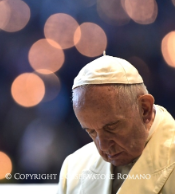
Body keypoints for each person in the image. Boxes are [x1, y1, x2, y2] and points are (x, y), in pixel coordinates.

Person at [57, 54, 175, 194]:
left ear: (145, 109)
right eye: (91, 132)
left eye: (111, 127)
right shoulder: (74, 168)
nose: (103, 146)